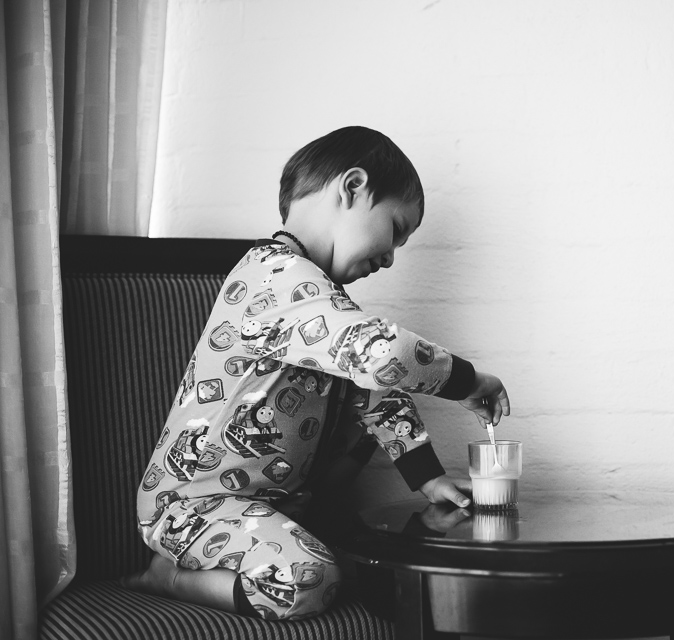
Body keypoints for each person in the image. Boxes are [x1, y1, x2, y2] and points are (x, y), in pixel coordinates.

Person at [121, 126, 510, 621]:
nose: (391, 257)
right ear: (352, 188)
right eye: (395, 228)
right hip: (191, 504)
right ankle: (169, 576)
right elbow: (384, 354)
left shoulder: (321, 301)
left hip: (275, 505)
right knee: (308, 579)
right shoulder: (273, 277)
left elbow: (376, 391)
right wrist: (470, 382)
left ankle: (319, 528)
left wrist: (429, 479)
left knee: (365, 403)